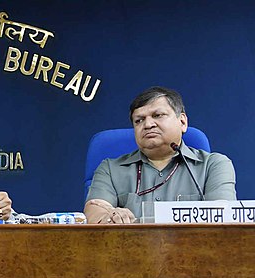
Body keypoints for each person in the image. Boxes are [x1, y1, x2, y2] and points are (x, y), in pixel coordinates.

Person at [85, 86, 236, 223]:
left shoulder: (214, 165)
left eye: (158, 115)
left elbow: (223, 221)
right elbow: (96, 213)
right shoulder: (110, 169)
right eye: (139, 120)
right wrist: (110, 216)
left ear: (182, 122)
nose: (148, 124)